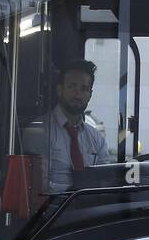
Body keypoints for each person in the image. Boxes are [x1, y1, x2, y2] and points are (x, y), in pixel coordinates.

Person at [21, 59, 113, 194]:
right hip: (51, 212)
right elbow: (36, 188)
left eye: (84, 89)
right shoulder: (38, 131)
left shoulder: (96, 139)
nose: (78, 94)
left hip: (90, 210)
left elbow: (106, 183)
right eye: (72, 87)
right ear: (60, 90)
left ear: (90, 95)